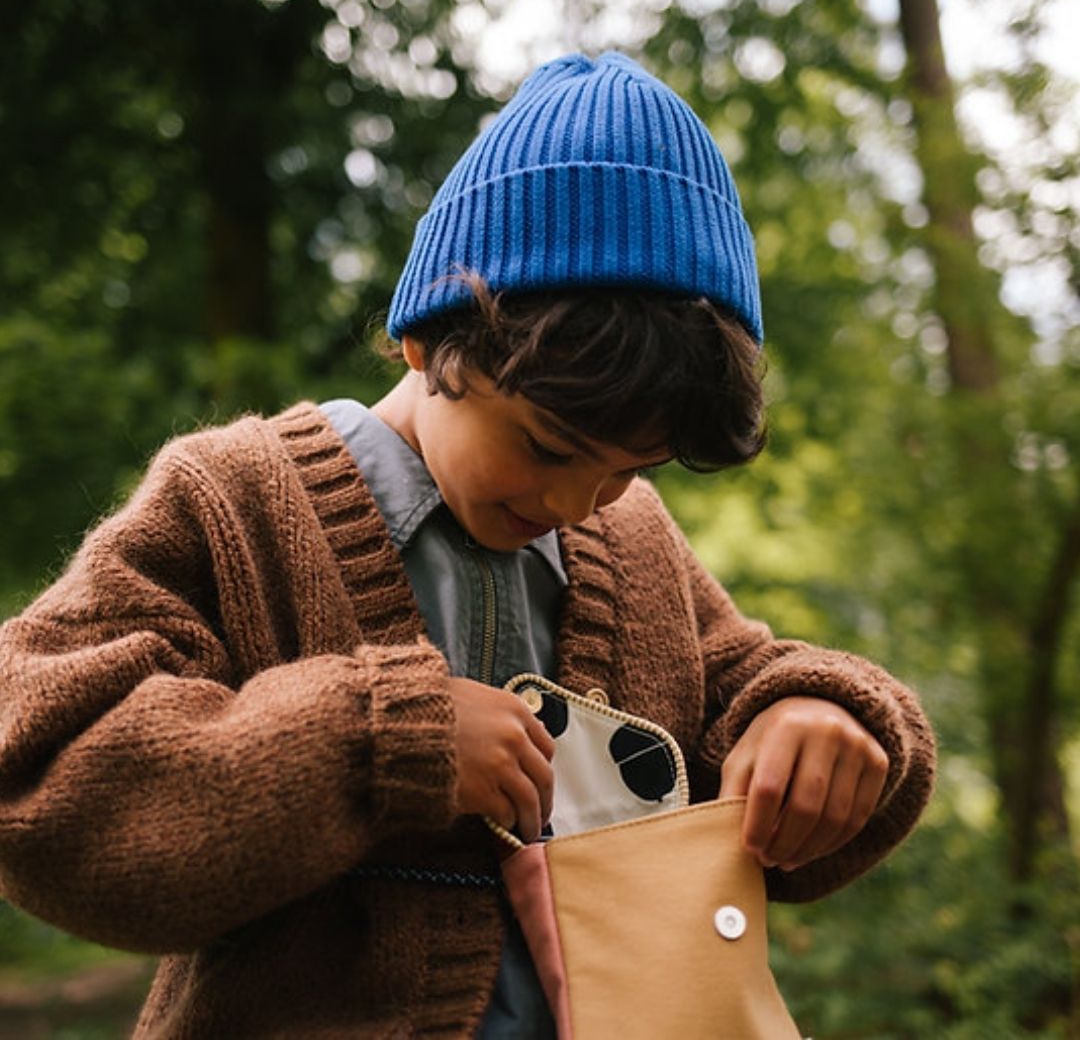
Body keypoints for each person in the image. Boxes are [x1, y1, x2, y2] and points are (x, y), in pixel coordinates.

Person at [0, 52, 934, 1037]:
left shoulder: (637, 549)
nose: (578, 501)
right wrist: (378, 745)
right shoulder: (234, 500)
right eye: (547, 445)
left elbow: (751, 697)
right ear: (427, 337)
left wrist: (816, 716)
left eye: (628, 469)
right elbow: (37, 777)